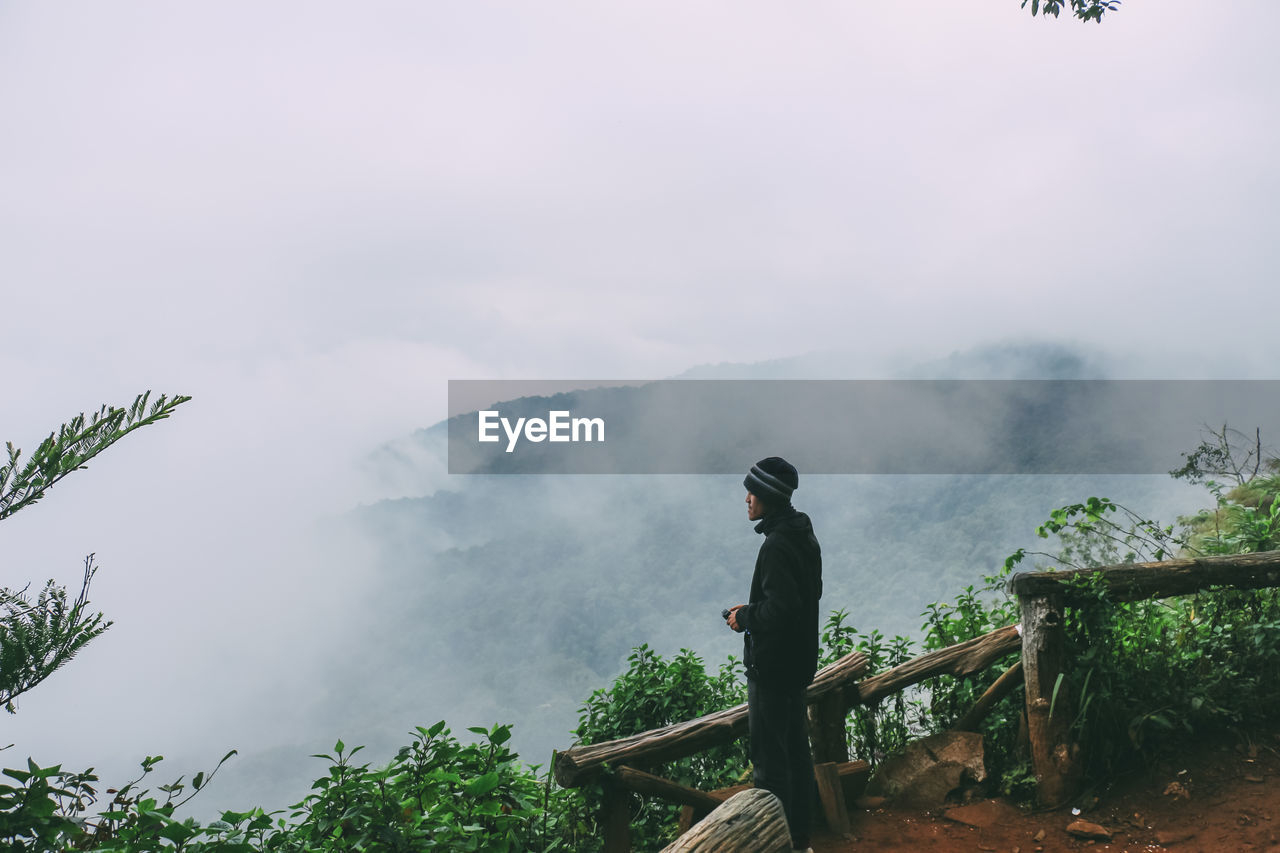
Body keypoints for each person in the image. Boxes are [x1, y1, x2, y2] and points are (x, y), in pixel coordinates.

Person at [726, 456, 823, 853]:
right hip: (797, 664)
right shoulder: (802, 533)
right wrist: (751, 612)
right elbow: (805, 599)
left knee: (769, 765)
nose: (747, 499)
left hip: (773, 668)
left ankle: (776, 844)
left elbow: (781, 609)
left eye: (753, 492)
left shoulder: (778, 545)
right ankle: (800, 840)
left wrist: (745, 617)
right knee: (797, 755)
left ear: (769, 496)